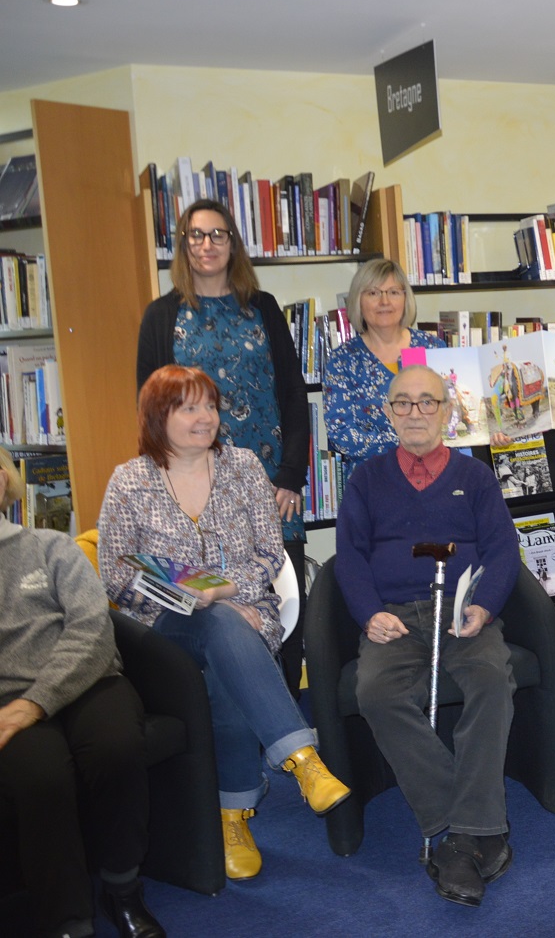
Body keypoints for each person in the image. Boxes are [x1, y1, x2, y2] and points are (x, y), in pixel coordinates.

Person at [98, 366, 350, 883]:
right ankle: (301, 759)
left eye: (210, 406)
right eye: (189, 408)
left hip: (246, 614)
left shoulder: (244, 466)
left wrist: (222, 592)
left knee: (223, 648)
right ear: (158, 416)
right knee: (218, 623)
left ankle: (233, 818)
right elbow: (116, 575)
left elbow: (270, 553)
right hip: (163, 631)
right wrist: (193, 599)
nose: (205, 418)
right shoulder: (129, 480)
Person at [335, 365, 521, 908]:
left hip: (461, 612)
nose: (414, 412)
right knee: (376, 693)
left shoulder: (476, 476)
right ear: (388, 412)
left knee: (492, 680)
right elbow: (349, 558)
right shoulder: (366, 479)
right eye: (403, 402)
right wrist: (369, 614)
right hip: (394, 617)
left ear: (446, 411)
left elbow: (503, 549)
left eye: (427, 402)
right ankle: (472, 827)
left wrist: (484, 607)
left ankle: (460, 839)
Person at [137, 198, 311, 695]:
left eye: (218, 234)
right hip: (191, 492)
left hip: (270, 488)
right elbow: (149, 408)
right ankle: (225, 719)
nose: (207, 244)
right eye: (196, 235)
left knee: (281, 606)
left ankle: (283, 713)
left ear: (233, 244)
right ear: (183, 244)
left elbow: (292, 394)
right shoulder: (161, 316)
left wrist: (291, 476)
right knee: (209, 610)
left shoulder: (263, 308)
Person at [0, 449, 163, 938]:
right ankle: (68, 919)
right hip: (9, 701)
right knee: (42, 778)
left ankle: (122, 890)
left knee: (117, 748)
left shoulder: (50, 546)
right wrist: (23, 706)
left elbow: (92, 628)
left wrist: (38, 701)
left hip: (89, 680)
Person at [323, 258, 448, 465]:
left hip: (434, 470)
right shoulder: (342, 361)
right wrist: (409, 440)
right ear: (358, 301)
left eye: (393, 292)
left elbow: (453, 415)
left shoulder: (433, 348)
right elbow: (341, 435)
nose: (384, 301)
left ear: (405, 298)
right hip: (374, 475)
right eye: (373, 293)